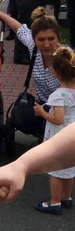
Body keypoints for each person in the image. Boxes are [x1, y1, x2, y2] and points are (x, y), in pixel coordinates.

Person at [30, 47, 75, 214]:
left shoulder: (58, 95)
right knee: (70, 169)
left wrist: (42, 112)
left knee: (56, 171)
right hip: (72, 138)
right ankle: (66, 197)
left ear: (55, 73)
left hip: (59, 139)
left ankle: (54, 202)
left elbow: (58, 119)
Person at [0, 7, 62, 103]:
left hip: (65, 109)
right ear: (34, 39)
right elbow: (19, 28)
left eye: (51, 39)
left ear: (58, 38)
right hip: (43, 104)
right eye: (41, 40)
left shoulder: (67, 57)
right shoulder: (33, 45)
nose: (46, 44)